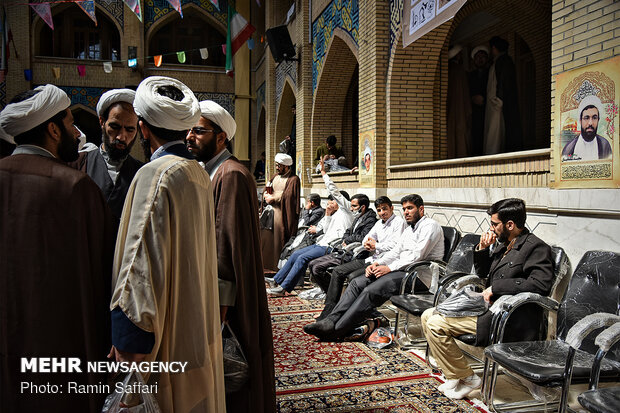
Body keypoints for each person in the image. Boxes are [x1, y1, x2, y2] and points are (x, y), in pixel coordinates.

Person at [109, 76, 225, 413]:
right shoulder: (197, 172)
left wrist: (128, 338)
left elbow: (138, 262)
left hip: (162, 335)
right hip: (190, 320)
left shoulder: (156, 174)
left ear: (143, 129)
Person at [0, 85, 115, 412]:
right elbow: (104, 274)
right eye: (69, 123)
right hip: (62, 353)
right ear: (53, 129)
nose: (77, 133)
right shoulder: (75, 186)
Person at [186, 100, 276, 412]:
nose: (190, 136)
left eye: (198, 130)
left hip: (228, 301)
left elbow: (225, 243)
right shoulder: (212, 172)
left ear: (221, 136)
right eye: (190, 130)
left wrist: (220, 306)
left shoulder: (230, 174)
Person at [421, 198, 553, 400]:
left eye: (494, 224)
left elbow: (540, 285)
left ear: (510, 225)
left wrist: (498, 287)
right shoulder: (504, 243)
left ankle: (468, 378)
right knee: (427, 315)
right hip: (486, 309)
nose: (491, 228)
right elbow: (484, 274)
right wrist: (482, 249)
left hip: (509, 318)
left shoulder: (536, 248)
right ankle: (455, 375)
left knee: (436, 324)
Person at [304, 194, 444, 341]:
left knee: (371, 290)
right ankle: (330, 321)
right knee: (357, 282)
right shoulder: (410, 229)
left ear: (421, 209)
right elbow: (396, 251)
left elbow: (417, 256)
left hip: (419, 276)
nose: (406, 212)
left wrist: (388, 268)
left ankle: (336, 331)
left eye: (410, 208)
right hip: (401, 270)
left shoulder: (430, 226)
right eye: (404, 209)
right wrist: (378, 263)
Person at [266, 163, 355, 296]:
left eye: (333, 201)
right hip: (321, 242)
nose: (330, 203)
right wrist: (328, 215)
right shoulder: (334, 213)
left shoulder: (347, 210)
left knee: (302, 258)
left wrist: (324, 174)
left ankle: (283, 288)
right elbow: (324, 229)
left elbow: (334, 191)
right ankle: (276, 280)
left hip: (331, 246)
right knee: (296, 254)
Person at [313, 196, 408, 320]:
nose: (382, 213)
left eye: (384, 209)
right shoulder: (379, 223)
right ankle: (329, 311)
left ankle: (347, 315)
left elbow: (395, 246)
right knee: (338, 271)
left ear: (392, 208)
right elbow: (366, 238)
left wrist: (376, 245)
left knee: (353, 277)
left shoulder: (399, 222)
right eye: (379, 210)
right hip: (372, 259)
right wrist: (368, 244)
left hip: (385, 262)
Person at [69, 88, 142, 226]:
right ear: (102, 122)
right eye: (115, 127)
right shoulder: (78, 164)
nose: (121, 136)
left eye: (129, 129)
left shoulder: (142, 172)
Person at [307, 193, 377, 297]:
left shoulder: (370, 220)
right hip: (343, 250)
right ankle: (330, 292)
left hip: (354, 254)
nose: (351, 208)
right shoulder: (358, 217)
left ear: (363, 207)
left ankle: (333, 296)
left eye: (354, 206)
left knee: (317, 268)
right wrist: (345, 238)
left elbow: (364, 237)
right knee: (312, 264)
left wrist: (348, 240)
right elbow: (348, 231)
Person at [261, 153, 301, 272]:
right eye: (277, 165)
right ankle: (265, 265)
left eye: (280, 166)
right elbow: (267, 188)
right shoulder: (275, 176)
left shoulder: (294, 179)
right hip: (269, 213)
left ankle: (276, 267)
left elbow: (289, 196)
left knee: (278, 239)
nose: (277, 167)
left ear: (286, 166)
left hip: (281, 213)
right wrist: (265, 195)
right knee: (266, 238)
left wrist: (274, 199)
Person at [484, 36, 522, 155]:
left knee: (496, 134)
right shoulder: (501, 61)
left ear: (494, 48)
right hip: (496, 103)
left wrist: (498, 101)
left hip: (498, 105)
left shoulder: (503, 62)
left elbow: (502, 83)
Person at [278, 193, 326, 268]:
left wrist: (306, 210)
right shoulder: (309, 209)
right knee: (287, 247)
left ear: (312, 202)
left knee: (293, 251)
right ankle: (282, 269)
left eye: (308, 202)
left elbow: (308, 222)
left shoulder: (319, 211)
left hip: (307, 236)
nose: (307, 204)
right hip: (300, 233)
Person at [561, 94, 612, 161]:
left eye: (594, 118)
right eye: (586, 118)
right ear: (580, 121)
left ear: (598, 120)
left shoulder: (604, 145)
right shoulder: (569, 149)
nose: (590, 123)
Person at [447, 45, 472, 158]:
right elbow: (465, 93)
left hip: (451, 108)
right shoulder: (458, 70)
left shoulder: (447, 70)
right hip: (460, 109)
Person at [468, 45, 489, 156]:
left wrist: (485, 100)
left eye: (483, 56)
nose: (480, 59)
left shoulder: (491, 73)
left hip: (488, 110)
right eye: (478, 57)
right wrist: (472, 99)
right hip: (474, 112)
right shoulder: (470, 76)